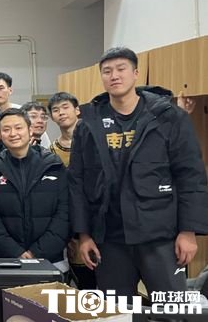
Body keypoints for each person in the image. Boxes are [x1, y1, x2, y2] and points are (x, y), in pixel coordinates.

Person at [69, 47, 208, 297]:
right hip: (109, 238)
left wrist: (188, 231)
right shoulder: (89, 123)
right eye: (107, 71)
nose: (114, 76)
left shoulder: (168, 117)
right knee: (116, 310)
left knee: (172, 308)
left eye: (121, 69)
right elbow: (78, 181)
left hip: (160, 235)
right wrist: (84, 234)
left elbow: (190, 176)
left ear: (135, 73)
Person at [0, 108, 69, 273]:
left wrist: (36, 252)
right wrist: (15, 252)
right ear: (0, 135)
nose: (13, 134)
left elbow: (65, 213)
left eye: (18, 128)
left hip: (51, 260)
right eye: (6, 129)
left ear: (30, 130)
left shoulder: (53, 165)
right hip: (6, 260)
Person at [47, 91, 95, 289]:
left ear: (77, 110)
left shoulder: (95, 141)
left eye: (65, 107)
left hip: (97, 214)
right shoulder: (51, 151)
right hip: (70, 218)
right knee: (83, 278)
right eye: (56, 110)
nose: (61, 113)